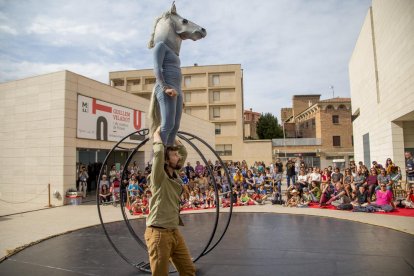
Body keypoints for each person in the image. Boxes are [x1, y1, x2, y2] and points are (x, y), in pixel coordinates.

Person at [145, 127, 196, 275]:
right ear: (166, 161)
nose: (178, 157)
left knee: (188, 271)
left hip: (174, 231)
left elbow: (183, 152)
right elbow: (159, 152)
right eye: (174, 155)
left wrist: (172, 131)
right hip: (159, 233)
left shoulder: (175, 174)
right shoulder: (158, 178)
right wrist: (157, 133)